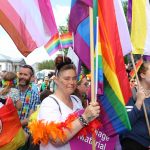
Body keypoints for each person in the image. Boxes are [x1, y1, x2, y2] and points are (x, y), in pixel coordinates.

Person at [36, 56, 100, 150]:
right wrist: (85, 118)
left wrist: (92, 116)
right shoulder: (49, 103)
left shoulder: (76, 100)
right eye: (67, 78)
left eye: (74, 78)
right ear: (56, 80)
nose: (72, 82)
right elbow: (56, 139)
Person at [120, 61, 150, 150]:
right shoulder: (131, 93)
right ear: (142, 75)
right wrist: (139, 102)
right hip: (132, 143)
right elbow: (127, 122)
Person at [18, 64, 41, 147]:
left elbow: (32, 118)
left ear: (31, 78)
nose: (22, 77)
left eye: (25, 75)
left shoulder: (34, 95)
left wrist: (15, 125)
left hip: (24, 136)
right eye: (20, 74)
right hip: (6, 133)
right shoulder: (11, 91)